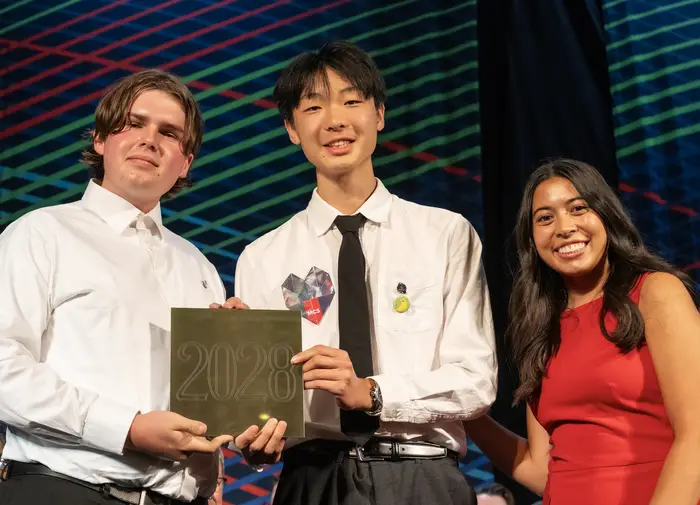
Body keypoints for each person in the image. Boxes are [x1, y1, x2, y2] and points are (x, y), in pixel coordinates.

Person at [230, 40, 498, 505]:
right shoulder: (262, 257)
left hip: (421, 474)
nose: (335, 119)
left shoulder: (444, 233)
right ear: (293, 128)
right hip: (311, 478)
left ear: (379, 114)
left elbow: (476, 380)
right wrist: (250, 435)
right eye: (313, 106)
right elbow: (261, 409)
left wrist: (372, 393)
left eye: (351, 100)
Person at [0, 69, 233, 505]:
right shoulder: (42, 232)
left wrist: (243, 377)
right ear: (101, 140)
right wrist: (126, 427)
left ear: (185, 163)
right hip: (60, 490)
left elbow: (214, 404)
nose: (150, 139)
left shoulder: (199, 268)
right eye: (133, 123)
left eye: (169, 132)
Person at [463, 159, 700, 505]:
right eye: (545, 218)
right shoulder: (541, 327)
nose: (564, 227)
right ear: (531, 239)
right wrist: (464, 413)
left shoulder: (655, 292)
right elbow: (543, 471)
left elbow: (695, 432)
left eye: (578, 209)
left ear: (606, 214)